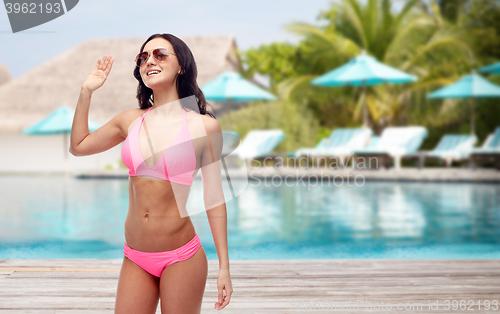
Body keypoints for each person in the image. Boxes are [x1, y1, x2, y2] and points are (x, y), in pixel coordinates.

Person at [69, 33, 232, 313]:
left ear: (181, 66)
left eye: (159, 54)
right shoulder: (129, 120)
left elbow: (214, 198)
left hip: (182, 257)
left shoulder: (205, 127)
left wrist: (224, 267)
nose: (149, 61)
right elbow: (78, 146)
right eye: (143, 58)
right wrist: (86, 92)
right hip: (135, 256)